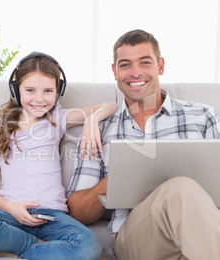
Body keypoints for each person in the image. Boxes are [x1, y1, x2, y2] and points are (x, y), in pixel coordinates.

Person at [67, 29, 220, 260]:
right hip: (136, 238)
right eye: (125, 64)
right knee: (180, 188)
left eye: (145, 62)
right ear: (115, 71)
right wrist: (110, 183)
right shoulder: (100, 130)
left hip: (201, 230)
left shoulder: (202, 116)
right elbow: (77, 212)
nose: (135, 72)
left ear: (160, 66)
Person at [0, 52, 119, 260]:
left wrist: (92, 119)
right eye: (30, 90)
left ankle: (18, 251)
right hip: (11, 214)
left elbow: (112, 106)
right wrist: (11, 208)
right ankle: (42, 249)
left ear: (58, 92)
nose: (39, 99)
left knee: (90, 245)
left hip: (52, 216)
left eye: (48, 91)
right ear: (16, 89)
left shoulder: (56, 118)